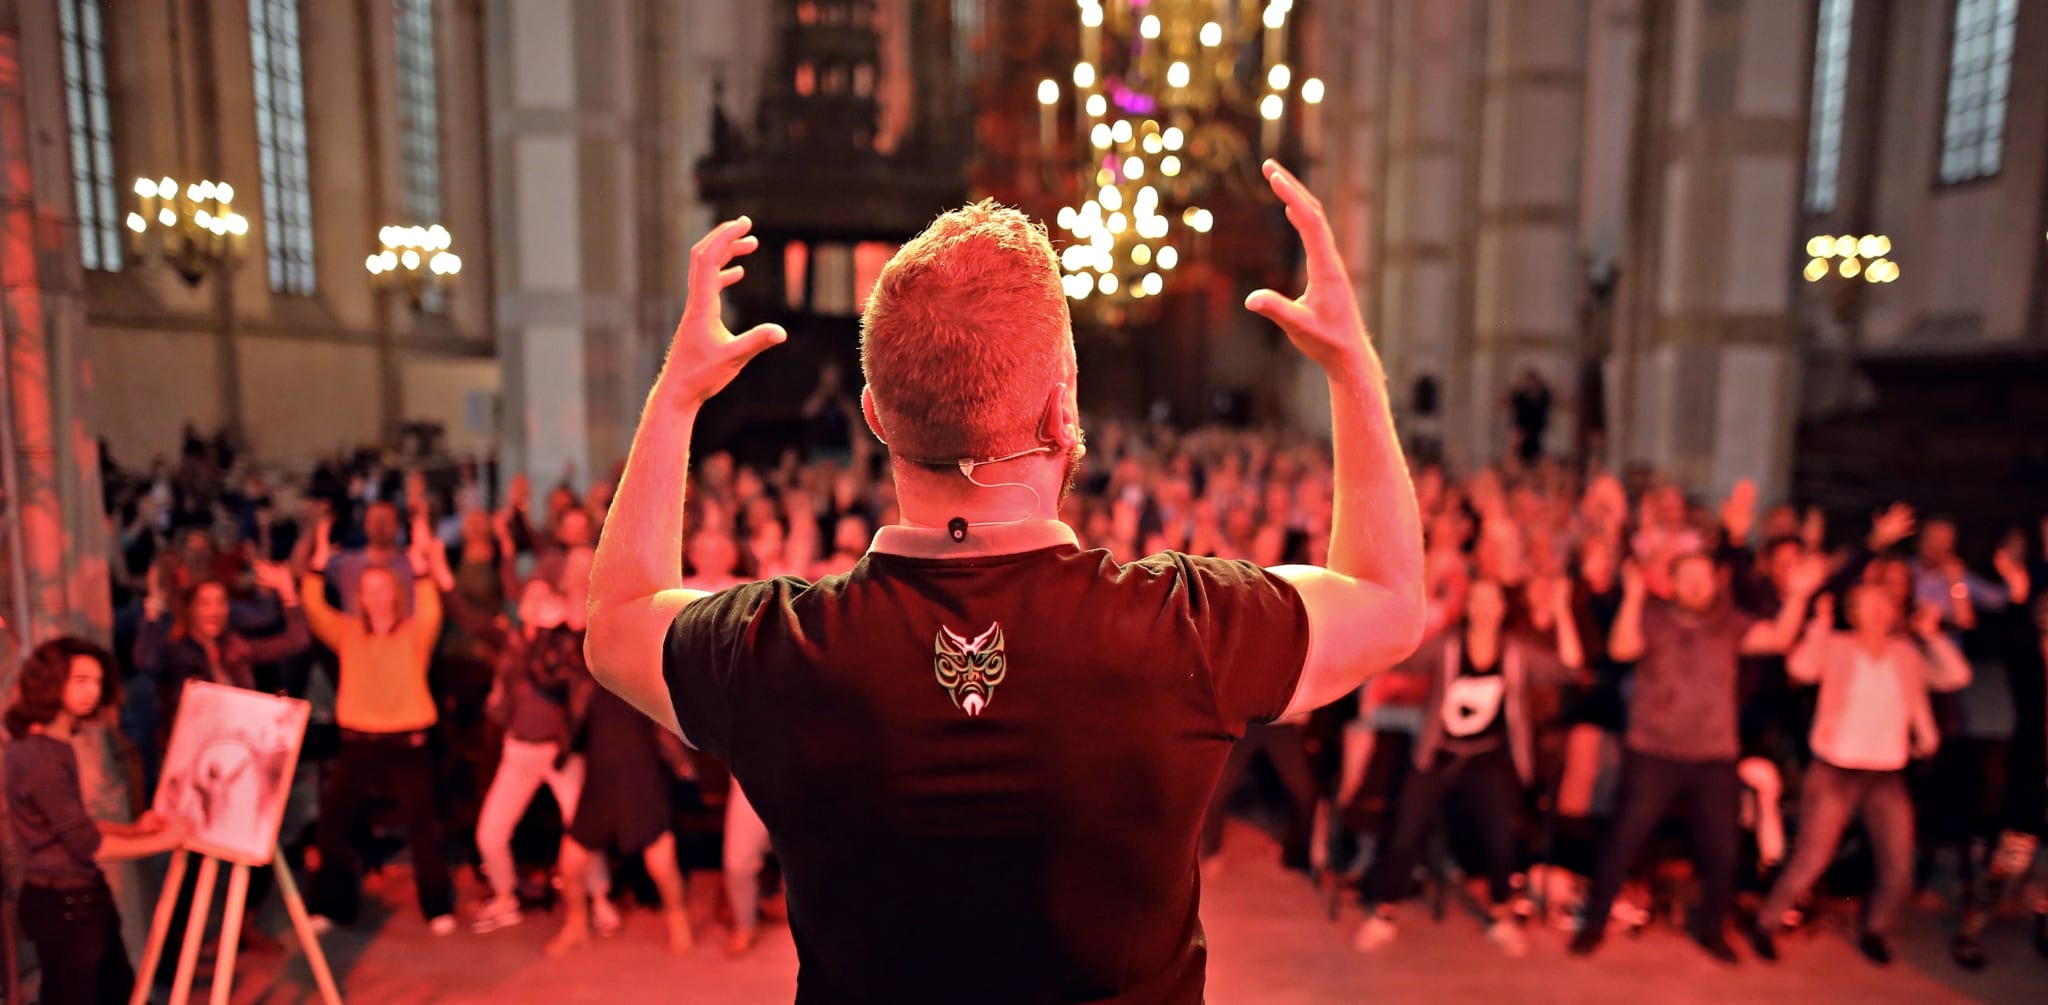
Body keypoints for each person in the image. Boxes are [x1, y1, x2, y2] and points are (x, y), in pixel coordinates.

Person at [583, 161, 1424, 1002]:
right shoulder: (1179, 629)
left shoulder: (783, 651)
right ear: (1065, 411)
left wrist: (677, 396)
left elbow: (617, 621)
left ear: (874, 415)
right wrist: (1351, 365)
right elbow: (1386, 598)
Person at [1569, 550, 1825, 964]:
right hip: (1652, 753)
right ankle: (1595, 922)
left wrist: (1798, 597)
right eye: (1686, 577)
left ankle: (1710, 929)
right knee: (1624, 839)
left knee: (1723, 848)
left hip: (1713, 756)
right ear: (1670, 582)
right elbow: (1620, 650)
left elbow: (1777, 638)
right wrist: (1633, 596)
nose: (1695, 586)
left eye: (1703, 578)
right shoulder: (1651, 616)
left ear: (1716, 583)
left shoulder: (1729, 622)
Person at [1353, 577, 1585, 957]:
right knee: (1405, 833)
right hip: (1438, 753)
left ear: (1502, 608)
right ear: (1468, 607)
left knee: (1500, 839)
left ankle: (1499, 914)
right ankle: (1383, 912)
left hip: (1487, 758)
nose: (1483, 607)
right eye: (1476, 600)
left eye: (1490, 600)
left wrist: (1561, 610)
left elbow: (1570, 669)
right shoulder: (1447, 647)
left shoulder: (1515, 653)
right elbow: (1401, 659)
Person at [1747, 585, 1971, 965]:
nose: (1880, 611)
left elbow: (1956, 676)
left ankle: (1875, 929)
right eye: (1870, 605)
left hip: (1886, 773)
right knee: (1811, 858)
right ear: (1853, 613)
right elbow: (1800, 668)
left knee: (1898, 865)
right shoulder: (1837, 645)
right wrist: (1818, 628)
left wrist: (1932, 635)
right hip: (1835, 768)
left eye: (1885, 603)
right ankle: (1765, 924)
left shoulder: (1906, 652)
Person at [5, 637, 190, 1005]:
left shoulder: (47, 746)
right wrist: (168, 840)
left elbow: (72, 827)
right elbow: (88, 844)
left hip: (76, 900)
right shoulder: (42, 755)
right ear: (52, 680)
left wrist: (134, 830)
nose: (92, 691)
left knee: (113, 990)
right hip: (66, 906)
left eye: (97, 681)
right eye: (80, 680)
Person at [301, 516, 457, 935]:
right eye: (368, 590)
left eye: (382, 588)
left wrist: (422, 562)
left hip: (408, 743)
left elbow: (431, 605)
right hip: (359, 744)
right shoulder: (347, 631)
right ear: (360, 596)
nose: (376, 596)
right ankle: (331, 907)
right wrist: (317, 564)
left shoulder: (415, 632)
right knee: (332, 826)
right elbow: (314, 608)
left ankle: (437, 907)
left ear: (394, 592)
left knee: (422, 827)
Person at [469, 580, 618, 936]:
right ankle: (506, 896)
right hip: (518, 751)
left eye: (544, 596)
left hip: (559, 754)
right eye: (530, 596)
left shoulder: (567, 643)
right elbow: (475, 626)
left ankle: (599, 900)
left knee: (584, 831)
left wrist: (557, 629)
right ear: (521, 608)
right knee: (490, 833)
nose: (537, 602)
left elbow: (558, 677)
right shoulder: (514, 643)